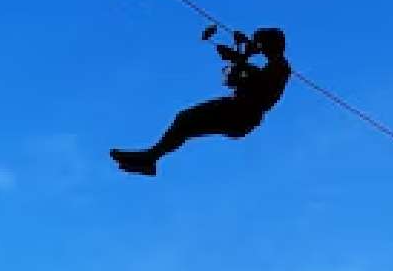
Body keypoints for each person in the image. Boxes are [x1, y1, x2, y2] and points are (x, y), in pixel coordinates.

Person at [110, 26, 290, 176]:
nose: (259, 48)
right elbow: (235, 80)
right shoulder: (269, 67)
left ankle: (149, 159)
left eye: (261, 43)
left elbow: (259, 88)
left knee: (185, 120)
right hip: (239, 111)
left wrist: (241, 59)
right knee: (185, 122)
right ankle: (149, 158)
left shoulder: (280, 67)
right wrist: (240, 60)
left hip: (241, 113)